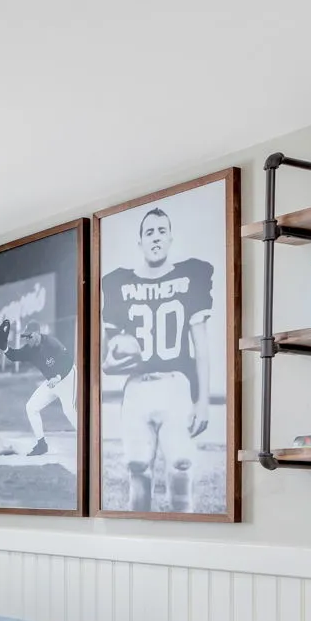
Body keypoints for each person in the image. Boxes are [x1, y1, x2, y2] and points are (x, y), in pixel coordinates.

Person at [100, 206, 215, 511]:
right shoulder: (118, 284)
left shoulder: (191, 277)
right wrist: (113, 362)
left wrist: (202, 400)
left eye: (162, 231)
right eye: (149, 232)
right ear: (140, 242)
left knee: (180, 464)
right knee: (137, 466)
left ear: (170, 238)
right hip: (136, 388)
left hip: (175, 385)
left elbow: (201, 349)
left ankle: (186, 536)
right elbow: (105, 358)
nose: (156, 237)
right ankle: (140, 539)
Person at [0, 315, 76, 456]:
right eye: (25, 336)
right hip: (52, 382)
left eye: (29, 336)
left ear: (37, 334)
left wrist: (58, 377)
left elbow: (67, 360)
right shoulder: (29, 349)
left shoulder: (51, 343)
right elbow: (14, 356)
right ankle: (41, 445)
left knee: (69, 411)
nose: (27, 339)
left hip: (67, 377)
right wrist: (4, 348)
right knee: (31, 407)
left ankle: (89, 441)